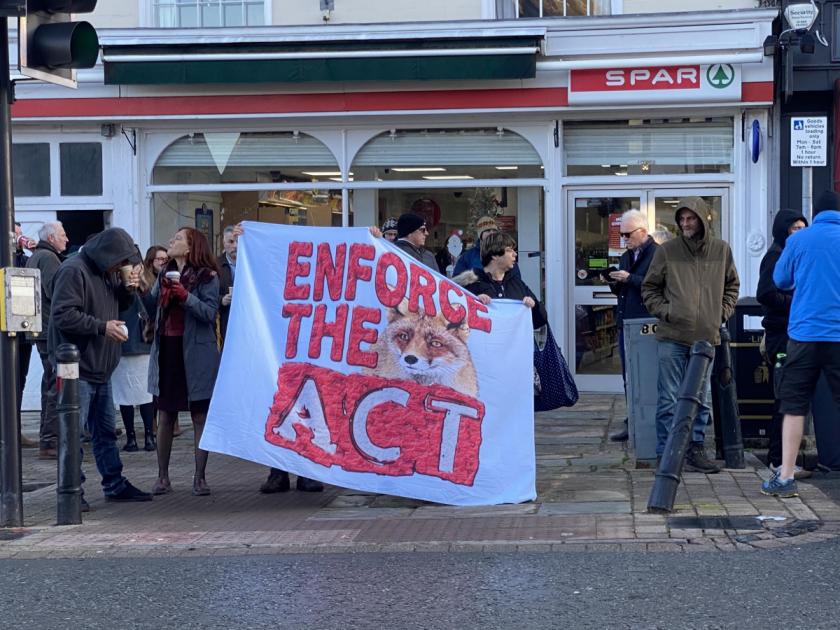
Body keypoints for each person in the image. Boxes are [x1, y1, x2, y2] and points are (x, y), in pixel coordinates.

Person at [49, 227, 152, 504]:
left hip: (101, 367)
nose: (123, 266)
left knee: (105, 432)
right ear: (108, 255)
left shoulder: (106, 274)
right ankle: (72, 492)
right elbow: (63, 315)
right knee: (73, 433)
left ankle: (114, 484)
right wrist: (101, 327)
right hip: (77, 369)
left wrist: (129, 289)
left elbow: (118, 308)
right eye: (121, 261)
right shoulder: (74, 270)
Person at [641, 197, 739, 474]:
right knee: (669, 398)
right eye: (681, 219)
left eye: (690, 218)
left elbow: (732, 284)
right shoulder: (667, 251)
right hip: (672, 335)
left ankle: (695, 448)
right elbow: (649, 288)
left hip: (706, 337)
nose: (685, 224)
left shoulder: (721, 250)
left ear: (703, 219)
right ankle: (665, 451)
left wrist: (721, 313)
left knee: (700, 398)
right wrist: (667, 312)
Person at [761, 191, 840, 498]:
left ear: (815, 213)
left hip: (804, 335)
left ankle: (785, 477)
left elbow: (780, 281)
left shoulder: (798, 240)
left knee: (793, 406)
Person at [149, 227, 221, 497]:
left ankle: (200, 477)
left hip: (196, 352)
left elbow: (208, 312)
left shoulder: (207, 276)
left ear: (191, 247)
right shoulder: (164, 272)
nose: (171, 241)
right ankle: (162, 477)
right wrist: (138, 289)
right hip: (167, 347)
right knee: (165, 413)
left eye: (177, 239)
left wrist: (185, 296)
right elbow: (151, 307)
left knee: (199, 414)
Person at [756, 210, 808, 479]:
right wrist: (797, 304)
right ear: (782, 230)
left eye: (803, 227)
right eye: (794, 228)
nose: (799, 232)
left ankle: (785, 459)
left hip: (794, 333)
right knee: (784, 398)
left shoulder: (795, 255)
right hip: (781, 335)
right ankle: (778, 460)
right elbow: (765, 292)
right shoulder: (776, 256)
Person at [607, 210, 659, 442]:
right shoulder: (627, 255)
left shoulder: (658, 253)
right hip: (625, 321)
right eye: (622, 234)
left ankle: (652, 421)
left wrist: (630, 279)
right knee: (628, 374)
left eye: (628, 234)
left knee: (648, 374)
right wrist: (614, 281)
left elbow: (658, 284)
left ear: (643, 232)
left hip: (647, 322)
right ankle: (632, 420)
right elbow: (623, 288)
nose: (625, 239)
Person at [26, 221, 69, 459]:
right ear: (51, 238)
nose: (67, 239)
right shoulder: (49, 259)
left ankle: (49, 437)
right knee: (55, 385)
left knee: (49, 384)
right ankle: (50, 441)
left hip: (40, 329)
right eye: (63, 235)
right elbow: (58, 292)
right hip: (49, 330)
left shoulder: (38, 256)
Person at [112, 253, 158, 453]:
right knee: (124, 394)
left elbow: (153, 309)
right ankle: (131, 437)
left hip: (142, 343)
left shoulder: (147, 286)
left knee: (145, 393)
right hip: (122, 342)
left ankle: (149, 435)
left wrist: (140, 288)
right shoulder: (116, 284)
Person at [458, 231, 547, 330]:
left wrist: (534, 306)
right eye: (509, 250)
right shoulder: (471, 285)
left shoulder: (517, 283)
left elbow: (541, 320)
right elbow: (455, 319)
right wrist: (473, 302)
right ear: (494, 255)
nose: (515, 254)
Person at [13, 223, 37, 449]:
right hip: (5, 330)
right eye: (14, 234)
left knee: (19, 381)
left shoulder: (23, 258)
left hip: (22, 330)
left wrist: (30, 251)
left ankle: (15, 431)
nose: (19, 238)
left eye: (20, 234)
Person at [453, 215, 521, 278]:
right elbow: (457, 282)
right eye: (488, 231)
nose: (491, 233)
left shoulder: (506, 254)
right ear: (480, 235)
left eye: (494, 230)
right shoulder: (468, 256)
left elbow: (516, 281)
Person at [217, 225, 237, 344]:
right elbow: (208, 294)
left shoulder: (248, 264)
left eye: (237, 242)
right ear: (224, 243)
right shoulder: (215, 265)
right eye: (231, 242)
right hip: (225, 319)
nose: (235, 246)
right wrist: (221, 300)